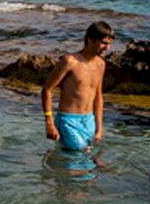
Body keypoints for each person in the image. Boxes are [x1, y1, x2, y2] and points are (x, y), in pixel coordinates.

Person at [41, 21, 114, 151]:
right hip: (68, 121)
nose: (107, 48)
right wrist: (49, 123)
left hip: (89, 120)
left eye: (109, 44)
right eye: (104, 43)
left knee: (88, 157)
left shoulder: (100, 64)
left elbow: (98, 97)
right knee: (79, 154)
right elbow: (47, 89)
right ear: (90, 39)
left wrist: (99, 128)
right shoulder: (69, 61)